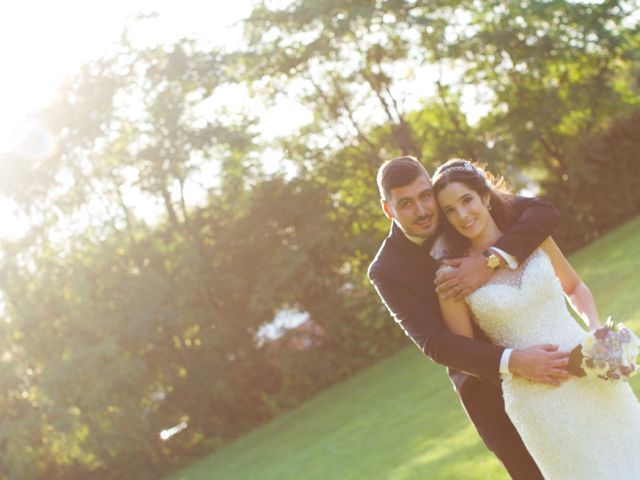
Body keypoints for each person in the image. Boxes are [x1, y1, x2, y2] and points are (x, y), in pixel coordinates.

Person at [432, 158, 640, 479]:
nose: (462, 215)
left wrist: (597, 331)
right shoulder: (451, 276)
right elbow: (466, 356)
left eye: (466, 200)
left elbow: (574, 286)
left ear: (485, 197)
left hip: (590, 369)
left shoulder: (530, 236)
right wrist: (517, 364)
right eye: (449, 210)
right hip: (537, 399)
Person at [368, 156, 568, 480]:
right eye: (405, 204)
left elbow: (543, 213)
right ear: (388, 209)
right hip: (490, 393)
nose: (421, 210)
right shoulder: (386, 270)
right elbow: (436, 344)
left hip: (548, 353)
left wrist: (490, 259)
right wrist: (515, 362)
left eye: (424, 196)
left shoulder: (456, 209)